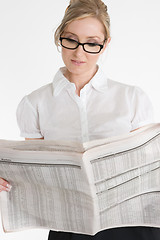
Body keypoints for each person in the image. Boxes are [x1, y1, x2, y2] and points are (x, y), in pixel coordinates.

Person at [0, 0, 159, 239]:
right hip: (70, 228)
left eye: (92, 43)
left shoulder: (131, 98)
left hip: (131, 225)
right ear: (59, 38)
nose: (79, 52)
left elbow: (150, 169)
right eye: (71, 40)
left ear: (105, 45)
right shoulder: (34, 103)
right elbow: (35, 175)